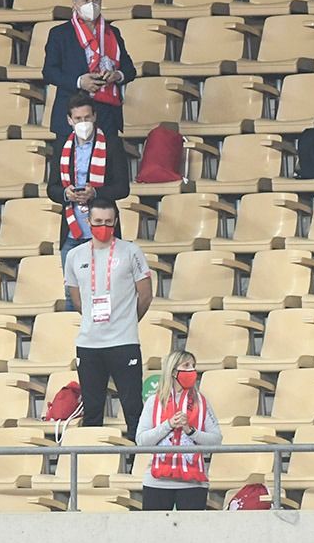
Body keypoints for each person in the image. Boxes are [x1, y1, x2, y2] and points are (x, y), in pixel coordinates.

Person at [64, 197, 153, 435]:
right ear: (89, 222)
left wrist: (127, 321)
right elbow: (76, 297)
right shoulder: (75, 256)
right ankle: (92, 467)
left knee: (133, 409)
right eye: (98, 221)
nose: (104, 226)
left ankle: (137, 463)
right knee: (92, 411)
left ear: (115, 223)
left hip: (123, 342)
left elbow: (145, 295)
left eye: (109, 222)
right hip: (89, 344)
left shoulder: (131, 251)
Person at [45, 93, 132, 271]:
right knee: (71, 291)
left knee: (105, 288)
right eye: (78, 118)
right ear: (69, 120)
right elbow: (51, 188)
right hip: (71, 230)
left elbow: (123, 188)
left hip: (103, 230)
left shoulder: (112, 143)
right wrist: (65, 194)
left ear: (94, 117)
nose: (83, 122)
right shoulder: (62, 146)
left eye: (87, 117)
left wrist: (96, 193)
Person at [43, 0, 138, 139]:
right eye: (85, 1)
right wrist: (79, 82)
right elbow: (49, 72)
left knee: (110, 161)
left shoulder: (112, 32)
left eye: (96, 0)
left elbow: (130, 70)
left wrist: (117, 75)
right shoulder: (60, 34)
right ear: (75, 4)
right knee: (70, 162)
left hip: (106, 111)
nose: (91, 5)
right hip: (72, 110)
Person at [135, 350, 222, 511]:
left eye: (193, 366)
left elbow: (216, 440)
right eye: (187, 366)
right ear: (174, 371)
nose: (192, 371)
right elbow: (141, 440)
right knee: (156, 533)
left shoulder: (201, 401)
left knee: (191, 534)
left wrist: (191, 431)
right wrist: (167, 425)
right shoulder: (154, 401)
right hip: (157, 481)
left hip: (194, 482)